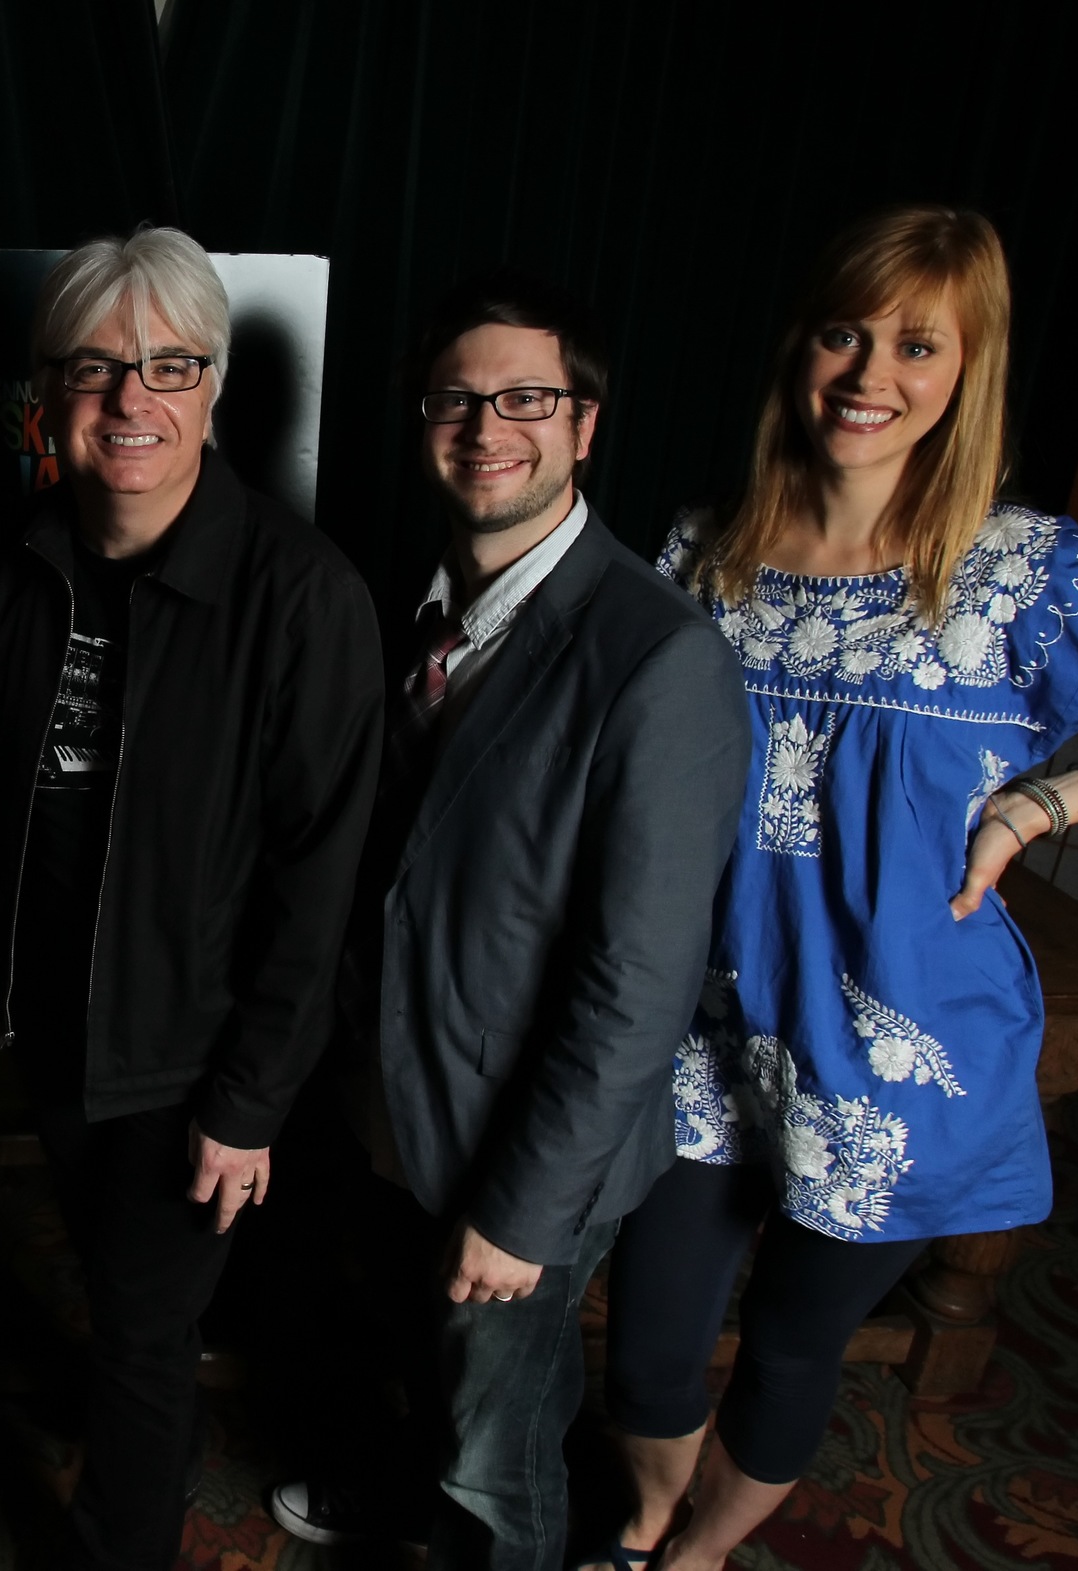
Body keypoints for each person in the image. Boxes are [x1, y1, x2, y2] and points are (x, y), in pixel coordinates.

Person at [588, 205, 1078, 1571]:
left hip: (900, 1049)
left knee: (794, 1347)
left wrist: (1059, 795)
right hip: (699, 1032)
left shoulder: (1017, 575)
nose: (871, 372)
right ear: (802, 344)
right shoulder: (704, 552)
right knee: (655, 1342)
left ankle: (688, 1556)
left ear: (967, 368)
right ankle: (641, 1510)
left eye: (918, 342)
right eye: (846, 331)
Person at [268, 274, 750, 1571]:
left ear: (585, 425)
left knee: (497, 1444)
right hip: (400, 1103)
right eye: (458, 398)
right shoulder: (419, 611)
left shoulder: (658, 657)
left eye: (527, 398)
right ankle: (402, 1499)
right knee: (427, 1380)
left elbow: (639, 983)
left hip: (526, 1149)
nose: (489, 425)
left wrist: (527, 1209)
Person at [0, 226, 385, 1571]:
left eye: (168, 365)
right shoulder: (13, 561)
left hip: (191, 1059)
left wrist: (247, 1100)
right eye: (95, 367)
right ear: (48, 393)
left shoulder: (302, 596)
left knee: (141, 1333)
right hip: (55, 1029)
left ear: (213, 385)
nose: (130, 400)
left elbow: (325, 886)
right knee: (122, 1299)